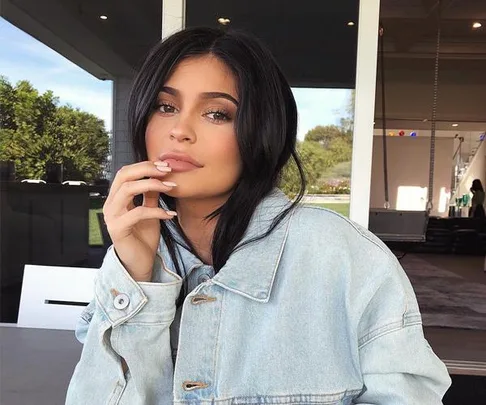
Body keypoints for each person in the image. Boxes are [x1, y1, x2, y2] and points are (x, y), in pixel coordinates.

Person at [66, 27, 451, 404]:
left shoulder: (346, 257)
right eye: (165, 106)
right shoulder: (135, 261)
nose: (179, 130)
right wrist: (136, 277)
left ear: (262, 130)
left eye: (217, 113)